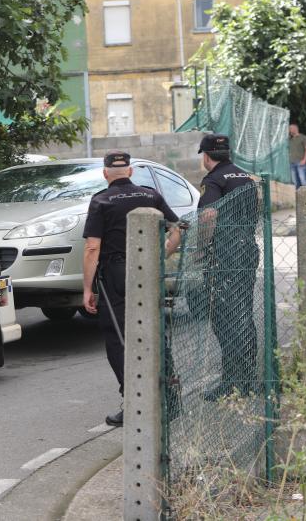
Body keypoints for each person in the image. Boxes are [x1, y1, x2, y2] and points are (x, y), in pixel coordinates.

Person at [82, 151, 181, 426]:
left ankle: (135, 404)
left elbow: (92, 247)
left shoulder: (101, 201)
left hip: (116, 275)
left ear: (105, 174)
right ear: (131, 172)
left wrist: (87, 288)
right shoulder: (151, 196)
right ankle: (170, 399)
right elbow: (177, 229)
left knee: (118, 337)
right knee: (155, 330)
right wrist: (160, 255)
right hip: (148, 269)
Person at [196, 134, 260, 400]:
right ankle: (247, 378)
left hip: (225, 255)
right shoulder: (244, 177)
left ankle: (232, 383)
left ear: (207, 156)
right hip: (247, 250)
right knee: (243, 313)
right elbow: (255, 209)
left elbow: (209, 215)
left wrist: (202, 248)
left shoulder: (213, 180)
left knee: (225, 318)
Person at [289, 123, 306, 188]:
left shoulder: (303, 137)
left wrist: (304, 160)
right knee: (294, 182)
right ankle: (297, 197)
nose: (289, 130)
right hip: (291, 163)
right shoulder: (289, 139)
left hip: (300, 162)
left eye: (290, 128)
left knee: (303, 180)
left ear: (295, 129)